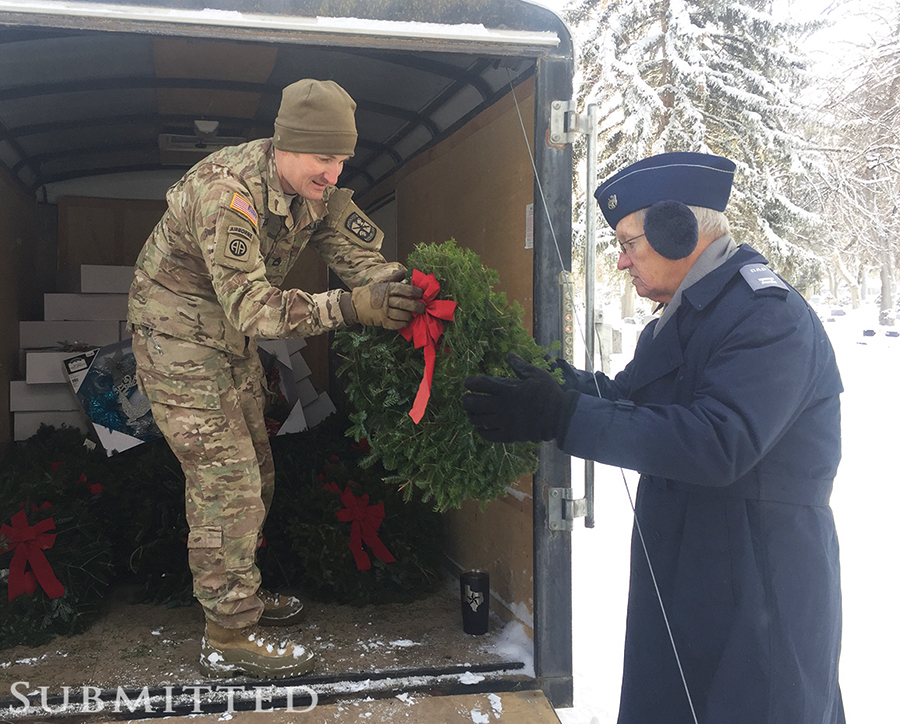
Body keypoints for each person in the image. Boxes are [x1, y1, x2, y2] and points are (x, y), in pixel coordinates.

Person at [462, 152, 845, 723]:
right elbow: (635, 402)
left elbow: (719, 441)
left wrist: (563, 416)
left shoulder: (769, 316)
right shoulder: (691, 311)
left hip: (760, 582)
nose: (620, 262)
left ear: (676, 230)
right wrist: (565, 389)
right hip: (689, 570)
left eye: (628, 242)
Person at [127, 79, 424, 679]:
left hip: (228, 342)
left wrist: (405, 289)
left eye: (343, 158)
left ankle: (241, 595)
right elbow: (255, 310)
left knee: (256, 471)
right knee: (226, 479)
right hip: (178, 335)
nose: (335, 173)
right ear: (286, 144)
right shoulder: (225, 195)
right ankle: (229, 633)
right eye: (324, 158)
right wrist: (350, 307)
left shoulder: (318, 188)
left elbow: (360, 257)